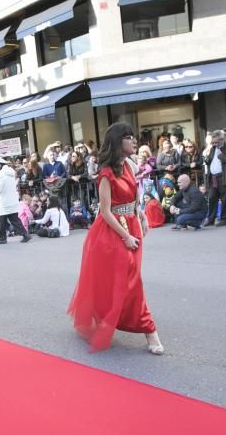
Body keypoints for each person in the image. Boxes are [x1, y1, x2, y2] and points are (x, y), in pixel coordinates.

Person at [68, 122, 163, 355]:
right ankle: (150, 331)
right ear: (117, 142)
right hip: (112, 232)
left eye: (133, 137)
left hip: (131, 225)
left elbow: (133, 195)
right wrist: (126, 236)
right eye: (129, 137)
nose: (134, 141)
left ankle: (112, 317)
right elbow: (105, 211)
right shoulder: (105, 173)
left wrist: (141, 215)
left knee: (127, 279)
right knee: (131, 280)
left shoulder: (129, 166)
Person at [0, 157, 31, 245]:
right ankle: (25, 234)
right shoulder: (10, 173)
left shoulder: (1, 175)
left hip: (3, 202)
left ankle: (2, 238)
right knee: (15, 220)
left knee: (1, 220)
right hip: (12, 201)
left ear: (0, 165)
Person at [204, 130, 226, 226]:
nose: (214, 144)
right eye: (213, 142)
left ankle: (225, 219)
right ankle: (211, 219)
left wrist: (221, 156)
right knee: (211, 198)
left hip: (224, 176)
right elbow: (211, 161)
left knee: (225, 199)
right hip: (213, 177)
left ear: (222, 139)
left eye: (216, 142)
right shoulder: (213, 148)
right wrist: (207, 160)